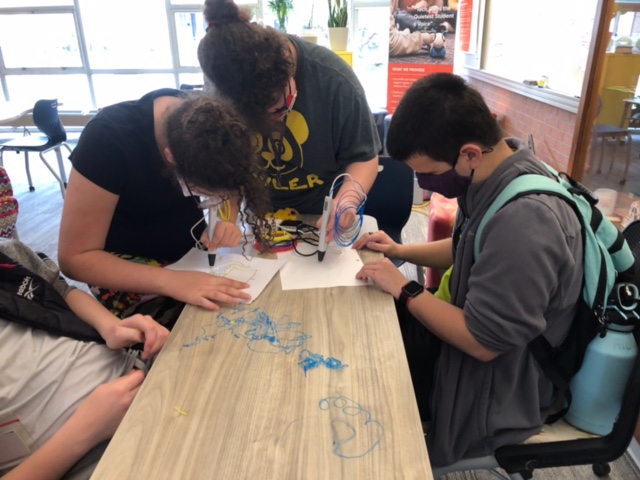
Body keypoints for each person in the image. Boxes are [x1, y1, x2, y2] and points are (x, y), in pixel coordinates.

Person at [353, 73, 584, 466]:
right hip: (474, 339)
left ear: (470, 154)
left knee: (363, 371)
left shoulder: (525, 223)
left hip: (499, 384)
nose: (424, 184)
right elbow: (469, 248)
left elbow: (482, 342)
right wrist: (399, 249)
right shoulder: (501, 170)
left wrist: (406, 289)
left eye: (427, 173)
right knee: (362, 319)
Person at [58, 90, 272, 323]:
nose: (213, 202)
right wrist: (170, 280)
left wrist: (226, 219)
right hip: (124, 270)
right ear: (171, 157)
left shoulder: (212, 123)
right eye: (204, 195)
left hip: (191, 262)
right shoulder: (107, 140)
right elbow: (74, 259)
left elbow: (229, 184)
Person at [197, 0, 381, 235]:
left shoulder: (335, 81)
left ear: (289, 70)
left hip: (320, 217)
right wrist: (227, 218)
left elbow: (364, 156)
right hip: (259, 217)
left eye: (276, 109)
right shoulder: (222, 86)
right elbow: (227, 161)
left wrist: (346, 202)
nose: (270, 121)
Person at [0, 238, 170, 479]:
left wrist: (111, 327)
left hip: (139, 373)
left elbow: (61, 290)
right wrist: (85, 432)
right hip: (90, 460)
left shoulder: (6, 253)